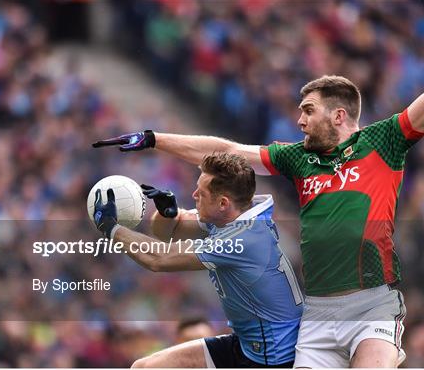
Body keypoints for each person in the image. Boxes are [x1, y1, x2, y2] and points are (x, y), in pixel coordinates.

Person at [93, 5, 424, 368]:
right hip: (318, 313)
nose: (299, 120)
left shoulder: (383, 141)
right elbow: (224, 148)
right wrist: (155, 139)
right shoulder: (297, 159)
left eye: (308, 110)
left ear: (338, 115)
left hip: (371, 306)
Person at [91, 153, 303, 368]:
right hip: (247, 344)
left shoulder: (241, 239)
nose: (193, 195)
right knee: (144, 367)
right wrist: (167, 214)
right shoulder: (234, 215)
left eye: (201, 193)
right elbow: (166, 232)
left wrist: (110, 228)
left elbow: (159, 258)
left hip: (271, 359)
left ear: (222, 203)